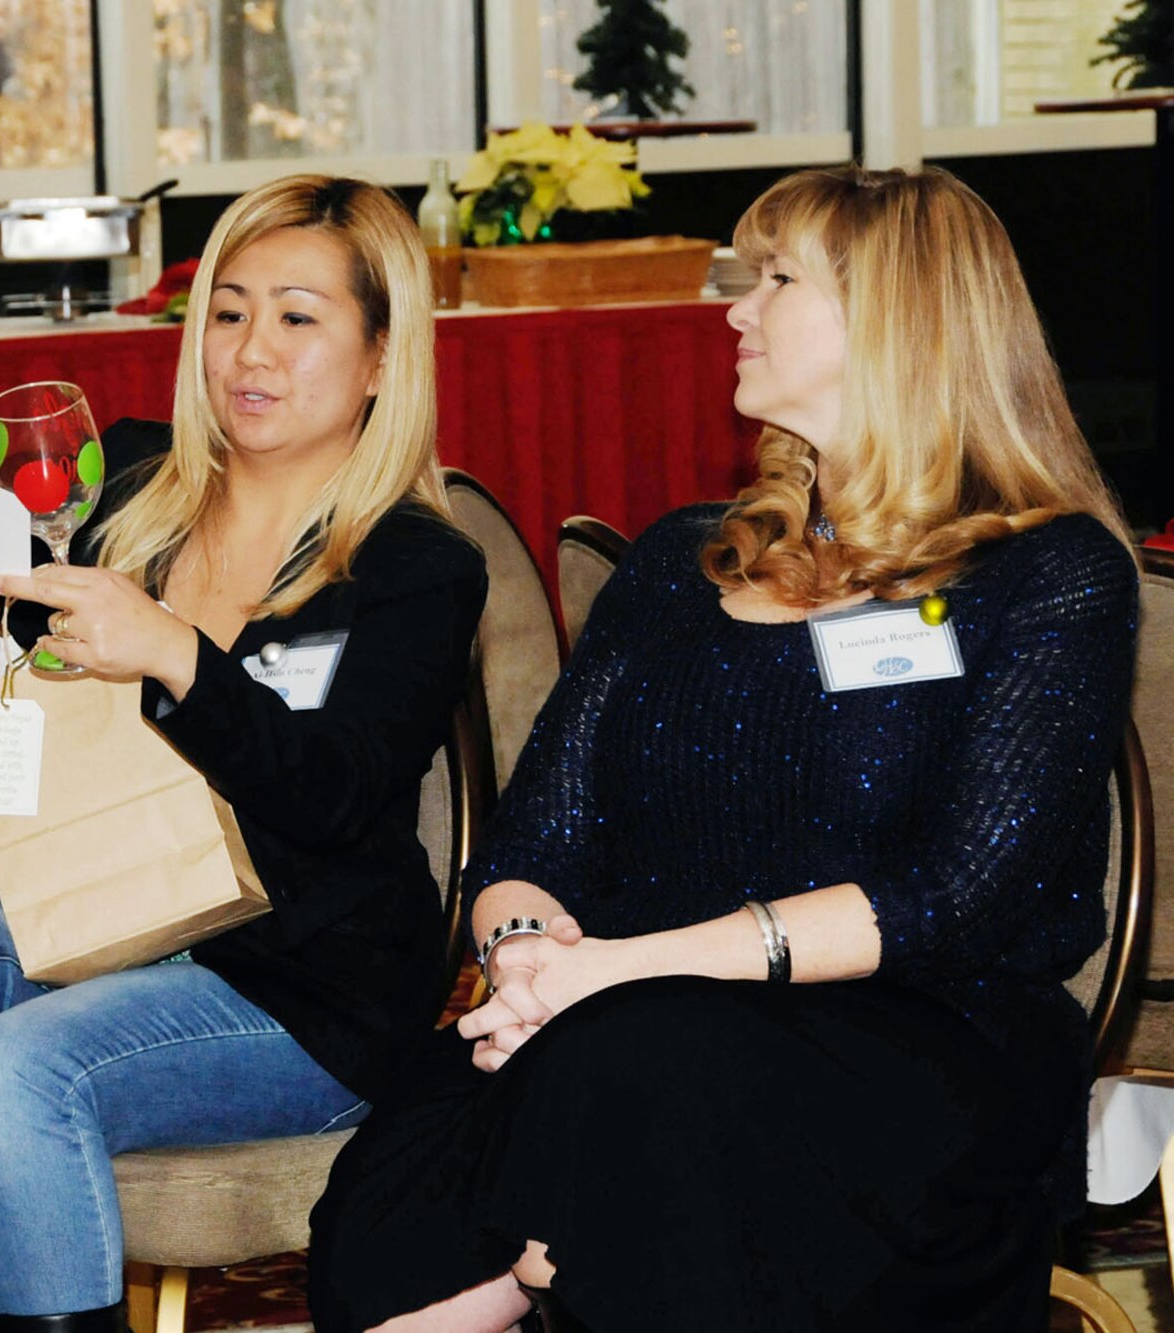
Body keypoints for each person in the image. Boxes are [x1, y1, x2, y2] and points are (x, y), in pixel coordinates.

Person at [306, 164, 1140, 1333]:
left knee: (625, 1102)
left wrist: (613, 973)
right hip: (620, 1017)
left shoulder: (1047, 575)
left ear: (895, 316)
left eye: (774, 281)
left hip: (917, 1040)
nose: (734, 310)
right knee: (398, 1185)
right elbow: (537, 829)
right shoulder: (679, 561)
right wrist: (524, 956)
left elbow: (956, 897)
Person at [0, 174, 488, 1331]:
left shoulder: (414, 564)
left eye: (298, 318)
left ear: (382, 356)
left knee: (14, 1066)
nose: (250, 351)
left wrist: (181, 658)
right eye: (229, 310)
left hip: (304, 989)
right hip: (109, 925)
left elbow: (337, 795)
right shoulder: (132, 486)